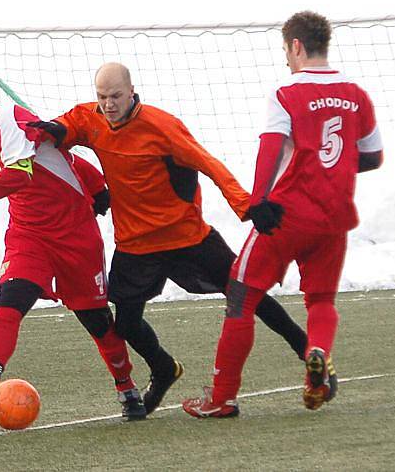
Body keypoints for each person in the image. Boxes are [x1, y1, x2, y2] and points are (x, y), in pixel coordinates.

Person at [28, 62, 308, 416]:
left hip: (186, 236)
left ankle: (307, 350)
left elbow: (209, 164)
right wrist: (55, 129)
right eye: (101, 97)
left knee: (246, 292)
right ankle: (163, 368)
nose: (108, 104)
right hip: (135, 244)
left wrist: (247, 204)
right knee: (126, 324)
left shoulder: (163, 127)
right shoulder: (92, 117)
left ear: (131, 92)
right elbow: (68, 126)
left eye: (115, 96)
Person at [182, 11, 384, 418]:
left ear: (295, 46)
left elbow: (271, 145)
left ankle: (221, 397)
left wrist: (258, 201)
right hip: (334, 219)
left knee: (240, 294)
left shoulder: (287, 91)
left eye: (285, 51)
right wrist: (335, 167)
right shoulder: (357, 95)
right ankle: (317, 356)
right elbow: (372, 156)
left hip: (287, 216)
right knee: (322, 299)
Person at [0, 79, 146, 421]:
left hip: (74, 240)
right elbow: (51, 156)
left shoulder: (8, 120)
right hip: (29, 236)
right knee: (11, 298)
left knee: (97, 322)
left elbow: (20, 176)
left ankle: (126, 387)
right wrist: (95, 185)